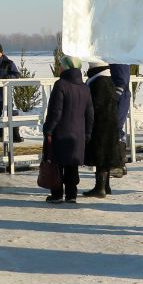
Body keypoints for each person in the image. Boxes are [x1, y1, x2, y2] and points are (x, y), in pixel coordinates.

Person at [42, 55, 93, 203]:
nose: (59, 67)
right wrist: (87, 132)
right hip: (78, 134)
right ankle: (71, 194)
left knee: (57, 164)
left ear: (66, 67)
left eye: (61, 65)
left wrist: (48, 129)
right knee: (72, 165)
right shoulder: (85, 87)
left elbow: (55, 112)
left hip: (61, 132)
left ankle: (57, 194)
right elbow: (90, 113)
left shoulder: (61, 85)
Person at [83, 59, 124, 198]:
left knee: (101, 155)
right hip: (109, 123)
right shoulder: (107, 79)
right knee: (105, 154)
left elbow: (96, 104)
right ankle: (105, 186)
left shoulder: (99, 81)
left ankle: (100, 187)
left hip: (101, 124)